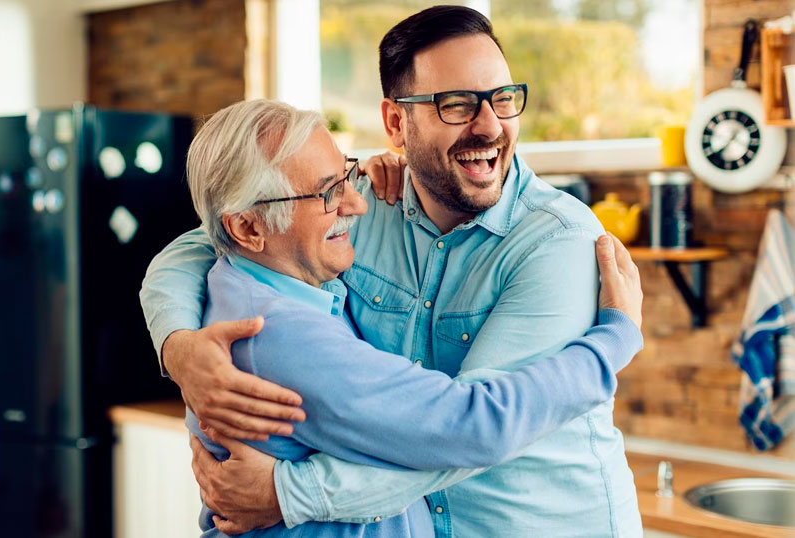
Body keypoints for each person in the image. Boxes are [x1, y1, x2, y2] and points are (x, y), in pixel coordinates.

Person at [141, 6, 644, 537]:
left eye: (502, 98)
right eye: (456, 105)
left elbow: (475, 432)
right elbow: (205, 241)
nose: (491, 126)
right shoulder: (354, 205)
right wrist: (178, 347)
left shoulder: (557, 240)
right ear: (396, 123)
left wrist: (289, 492)